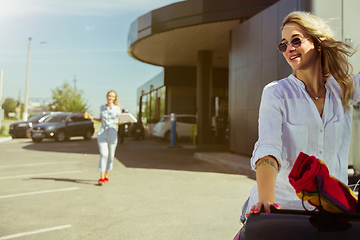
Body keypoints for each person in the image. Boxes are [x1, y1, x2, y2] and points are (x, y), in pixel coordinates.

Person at [235, 11, 360, 239]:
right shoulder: (276, 93)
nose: (289, 48)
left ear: (317, 43)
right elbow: (268, 148)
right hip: (283, 215)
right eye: (284, 45)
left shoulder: (342, 89)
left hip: (333, 218)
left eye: (296, 40)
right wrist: (266, 200)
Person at [86, 90, 125, 185]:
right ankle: (101, 177)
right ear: (107, 97)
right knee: (104, 155)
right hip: (102, 134)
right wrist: (92, 118)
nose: (110, 98)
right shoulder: (102, 107)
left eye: (112, 96)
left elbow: (119, 121)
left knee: (111, 156)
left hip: (112, 133)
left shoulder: (117, 109)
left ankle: (107, 175)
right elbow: (101, 119)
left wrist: (126, 121)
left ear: (115, 98)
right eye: (109, 96)